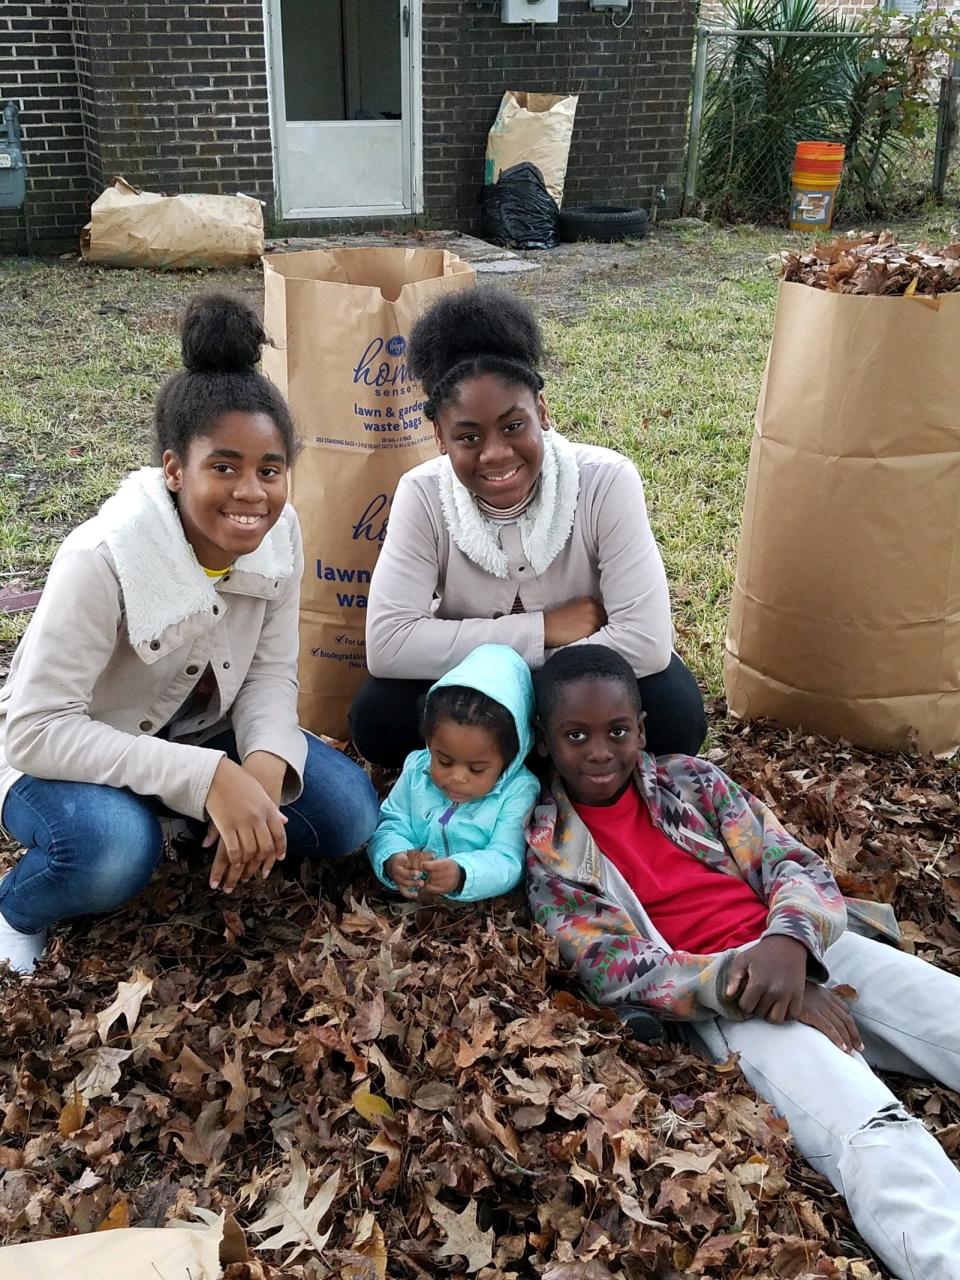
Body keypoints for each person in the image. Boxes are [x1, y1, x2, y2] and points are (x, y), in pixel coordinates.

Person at [526, 644, 960, 1280]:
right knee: (868, 1127)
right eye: (575, 735)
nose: (599, 751)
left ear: (641, 729)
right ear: (545, 743)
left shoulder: (693, 781)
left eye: (618, 731)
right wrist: (748, 978)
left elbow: (791, 862)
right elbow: (614, 967)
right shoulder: (550, 845)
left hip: (814, 947)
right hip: (725, 999)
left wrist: (788, 944)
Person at [0, 294, 379, 974]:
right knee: (114, 852)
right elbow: (34, 730)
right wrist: (205, 778)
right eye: (224, 467)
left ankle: (179, 819)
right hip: (68, 757)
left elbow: (270, 673)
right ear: (175, 469)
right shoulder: (102, 560)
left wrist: (261, 765)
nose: (251, 493)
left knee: (348, 816)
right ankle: (16, 909)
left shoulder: (280, 533)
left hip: (200, 732)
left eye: (270, 469)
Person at [349, 287, 705, 769]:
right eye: (468, 437)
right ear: (439, 437)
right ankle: (542, 751)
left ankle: (507, 752)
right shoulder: (422, 493)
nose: (495, 454)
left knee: (674, 714)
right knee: (378, 718)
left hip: (493, 681)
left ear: (542, 410)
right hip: (538, 672)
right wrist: (544, 630)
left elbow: (644, 643)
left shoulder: (606, 480)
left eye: (514, 426)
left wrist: (504, 679)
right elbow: (388, 646)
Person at [368, 643, 539, 903]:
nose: (457, 777)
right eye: (444, 761)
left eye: (477, 769)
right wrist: (394, 859)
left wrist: (462, 873)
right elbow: (392, 822)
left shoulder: (518, 790)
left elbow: (507, 858)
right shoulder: (417, 768)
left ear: (509, 758)